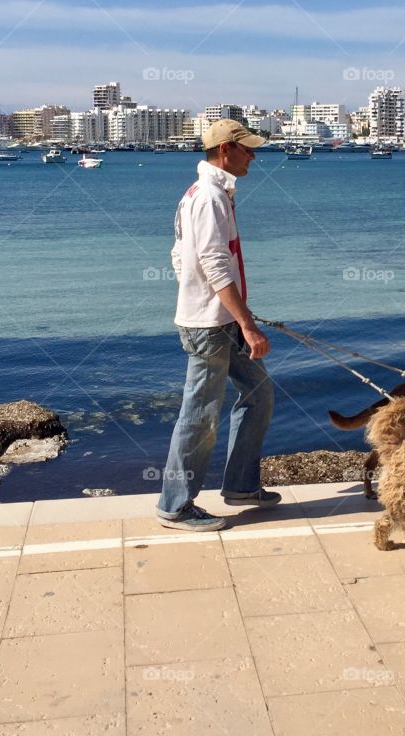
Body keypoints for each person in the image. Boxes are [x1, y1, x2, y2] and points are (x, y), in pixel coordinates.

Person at [156, 118, 279, 532]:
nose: (253, 156)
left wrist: (218, 302)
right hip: (212, 326)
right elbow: (211, 263)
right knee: (200, 414)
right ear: (225, 149)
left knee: (259, 394)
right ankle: (175, 505)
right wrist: (247, 323)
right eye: (247, 149)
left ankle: (241, 486)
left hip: (220, 316)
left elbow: (179, 255)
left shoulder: (208, 193)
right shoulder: (207, 197)